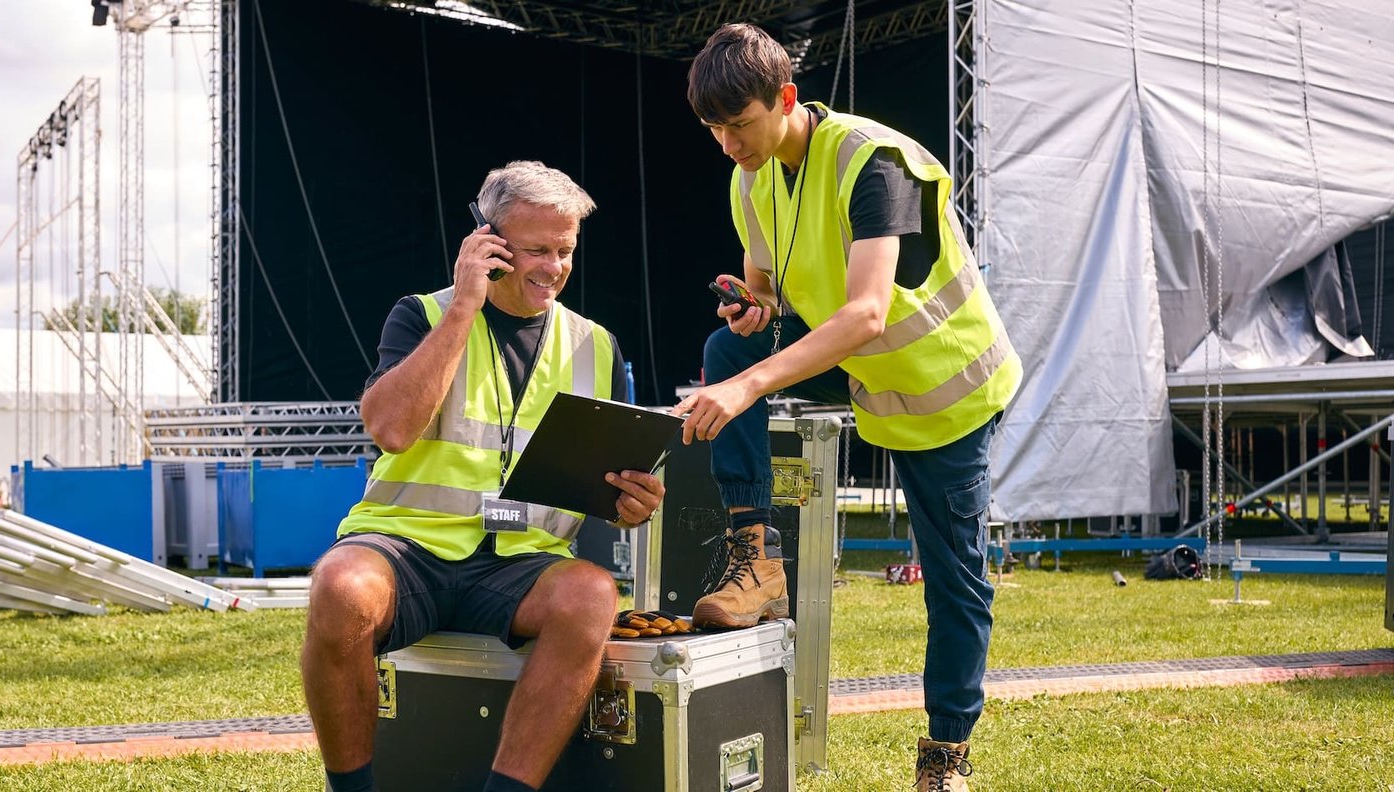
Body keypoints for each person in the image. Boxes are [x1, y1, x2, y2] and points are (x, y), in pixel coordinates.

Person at [674, 24, 1023, 792]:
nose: (729, 143)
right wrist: (752, 312)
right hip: (861, 370)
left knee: (954, 581)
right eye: (714, 129)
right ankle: (756, 561)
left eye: (741, 124)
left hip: (947, 389)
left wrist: (749, 387)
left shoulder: (875, 161)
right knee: (727, 349)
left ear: (787, 99)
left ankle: (945, 761)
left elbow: (866, 311)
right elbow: (764, 290)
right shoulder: (750, 180)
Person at [301, 161, 666, 792]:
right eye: (536, 250)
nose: (553, 268)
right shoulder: (422, 314)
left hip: (521, 562)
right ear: (486, 243)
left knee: (591, 594)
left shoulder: (596, 345)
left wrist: (631, 502)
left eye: (565, 251)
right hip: (406, 546)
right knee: (339, 585)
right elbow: (390, 429)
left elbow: (601, 480)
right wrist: (464, 307)